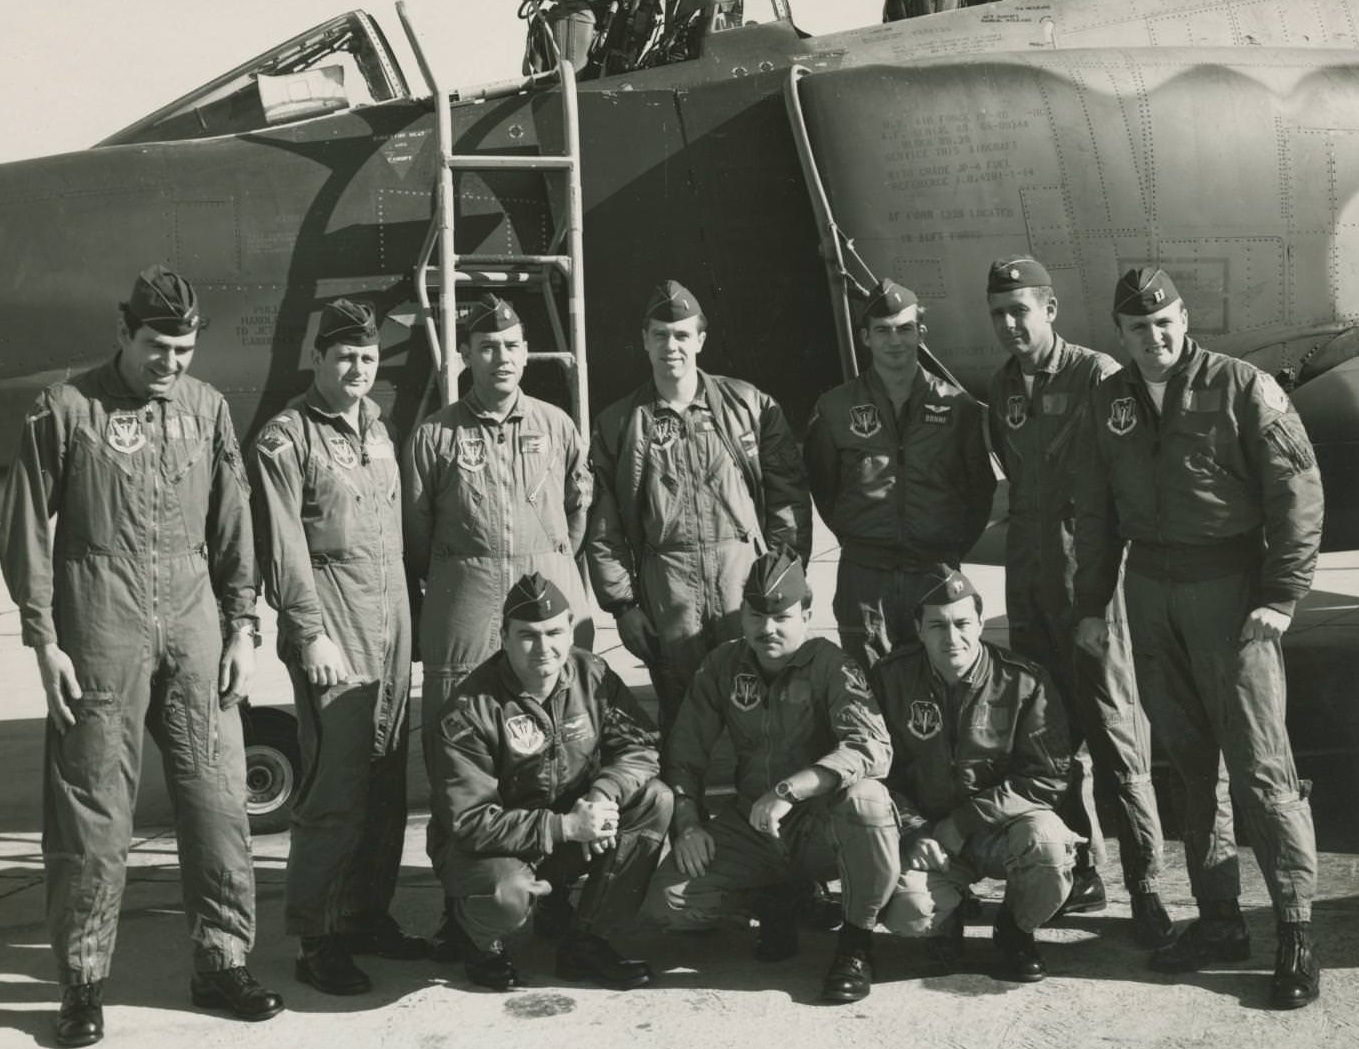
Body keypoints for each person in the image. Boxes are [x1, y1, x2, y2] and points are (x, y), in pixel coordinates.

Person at [0, 265, 283, 1047]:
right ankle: (82, 985)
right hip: (99, 618)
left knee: (218, 797)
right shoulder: (66, 408)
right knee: (93, 807)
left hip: (194, 621)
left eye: (184, 347)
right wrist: (44, 638)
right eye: (157, 345)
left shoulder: (206, 410)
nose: (171, 362)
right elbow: (25, 528)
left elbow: (234, 527)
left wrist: (243, 628)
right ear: (123, 333)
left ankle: (222, 962)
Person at [1074, 267, 1325, 1009]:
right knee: (1188, 765)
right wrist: (1092, 604)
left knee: (1260, 766)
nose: (1153, 338)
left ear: (1183, 319)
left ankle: (1293, 926)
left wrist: (1280, 595)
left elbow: (1296, 488)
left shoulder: (1240, 386)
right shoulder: (1108, 400)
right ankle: (1218, 917)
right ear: (1118, 336)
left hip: (1229, 589)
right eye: (1136, 328)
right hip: (1148, 592)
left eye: (1163, 322)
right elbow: (1094, 513)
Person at [983, 257, 1171, 945]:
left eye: (1019, 310)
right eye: (997, 312)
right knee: (1047, 741)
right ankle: (1080, 868)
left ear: (1050, 308)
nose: (1008, 324)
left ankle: (1146, 884)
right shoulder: (1002, 385)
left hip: (1087, 585)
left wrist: (1096, 592)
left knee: (1117, 740)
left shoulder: (1096, 376)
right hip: (1028, 589)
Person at [404, 292, 594, 956]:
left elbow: (576, 513)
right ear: (465, 355)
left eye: (512, 345)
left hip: (546, 591)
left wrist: (547, 568)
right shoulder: (434, 436)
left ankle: (566, 896)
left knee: (561, 751)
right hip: (467, 603)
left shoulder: (557, 425)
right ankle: (466, 907)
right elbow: (418, 533)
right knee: (460, 755)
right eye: (487, 346)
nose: (502, 357)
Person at [248, 298, 426, 996]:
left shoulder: (377, 429)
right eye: (345, 356)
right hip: (334, 626)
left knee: (387, 782)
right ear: (318, 359)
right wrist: (309, 631)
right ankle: (316, 935)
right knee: (335, 787)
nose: (358, 368)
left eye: (369, 356)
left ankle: (364, 914)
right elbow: (285, 548)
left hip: (390, 622)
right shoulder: (286, 439)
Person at [646, 547, 899, 1003]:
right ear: (742, 614)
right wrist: (687, 822)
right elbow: (684, 754)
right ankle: (775, 900)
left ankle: (856, 943)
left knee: (869, 801)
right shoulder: (722, 665)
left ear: (806, 613)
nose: (768, 629)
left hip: (818, 823)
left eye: (782, 616)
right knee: (671, 902)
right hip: (752, 825)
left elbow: (872, 747)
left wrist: (793, 788)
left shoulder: (832, 665)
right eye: (757, 615)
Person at [587, 279, 811, 733]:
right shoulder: (619, 425)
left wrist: (783, 580)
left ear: (701, 340)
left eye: (683, 335)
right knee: (684, 721)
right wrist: (623, 607)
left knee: (763, 719)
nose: (672, 346)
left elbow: (787, 499)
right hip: (670, 598)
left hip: (744, 589)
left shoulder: (749, 406)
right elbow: (603, 528)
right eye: (661, 335)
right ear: (645, 340)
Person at [430, 572, 672, 991]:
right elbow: (468, 821)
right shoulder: (471, 709)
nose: (544, 648)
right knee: (507, 898)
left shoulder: (591, 675)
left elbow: (640, 747)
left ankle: (587, 941)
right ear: (503, 636)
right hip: (493, 848)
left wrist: (602, 795)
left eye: (555, 632)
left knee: (655, 799)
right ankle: (476, 937)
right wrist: (564, 828)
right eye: (528, 635)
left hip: (571, 829)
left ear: (570, 629)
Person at [874, 567, 1076, 982]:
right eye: (938, 625)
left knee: (1050, 847)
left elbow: (1046, 777)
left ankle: (1015, 931)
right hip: (929, 835)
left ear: (981, 623)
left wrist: (964, 822)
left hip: (1000, 832)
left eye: (963, 623)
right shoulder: (890, 679)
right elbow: (876, 771)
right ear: (919, 628)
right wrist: (913, 831)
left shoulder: (1023, 681)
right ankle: (946, 925)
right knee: (907, 914)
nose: (952, 638)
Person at [805, 277, 995, 670]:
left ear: (921, 333)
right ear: (866, 337)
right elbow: (825, 488)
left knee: (938, 681)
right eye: (883, 331)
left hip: (934, 571)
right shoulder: (836, 408)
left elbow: (979, 490)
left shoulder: (957, 407)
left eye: (905, 329)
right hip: (865, 577)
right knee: (868, 686)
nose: (895, 341)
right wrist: (861, 535)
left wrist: (947, 548)